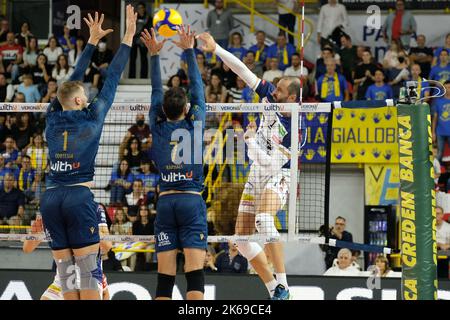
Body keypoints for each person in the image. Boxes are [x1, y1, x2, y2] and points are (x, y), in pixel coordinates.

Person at [39, 7, 136, 300]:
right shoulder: (92, 116)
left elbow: (69, 83)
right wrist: (128, 36)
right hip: (78, 199)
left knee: (67, 279)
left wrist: (92, 42)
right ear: (81, 99)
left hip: (51, 197)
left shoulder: (52, 116)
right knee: (87, 275)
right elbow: (113, 78)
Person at [198, 32, 301, 300]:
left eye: (279, 89)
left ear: (291, 98)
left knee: (264, 219)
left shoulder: (294, 130)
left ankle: (283, 285)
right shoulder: (269, 95)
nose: (272, 89)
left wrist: (249, 140)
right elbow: (242, 70)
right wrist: (216, 47)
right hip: (257, 173)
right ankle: (272, 290)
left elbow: (268, 162)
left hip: (279, 174)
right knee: (241, 240)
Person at [142, 25, 207, 300]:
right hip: (191, 201)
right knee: (194, 273)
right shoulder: (196, 123)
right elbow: (198, 90)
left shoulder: (156, 127)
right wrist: (189, 51)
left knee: (165, 279)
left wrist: (154, 56)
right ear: (185, 109)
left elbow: (157, 91)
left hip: (166, 202)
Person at [23, 204, 112, 300]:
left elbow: (107, 246)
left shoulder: (95, 208)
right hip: (62, 281)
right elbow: (27, 249)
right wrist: (34, 234)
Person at [129, 2, 150, 79]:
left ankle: (144, 77)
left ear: (144, 8)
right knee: (132, 58)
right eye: (138, 8)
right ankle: (131, 77)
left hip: (143, 40)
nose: (140, 9)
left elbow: (150, 29)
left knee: (144, 59)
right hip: (134, 40)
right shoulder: (134, 17)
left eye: (141, 8)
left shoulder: (148, 18)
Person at [432, 81, 450, 162]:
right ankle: (435, 172)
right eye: (445, 88)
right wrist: (433, 132)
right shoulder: (438, 101)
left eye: (449, 87)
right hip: (440, 132)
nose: (447, 89)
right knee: (439, 154)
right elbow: (435, 118)